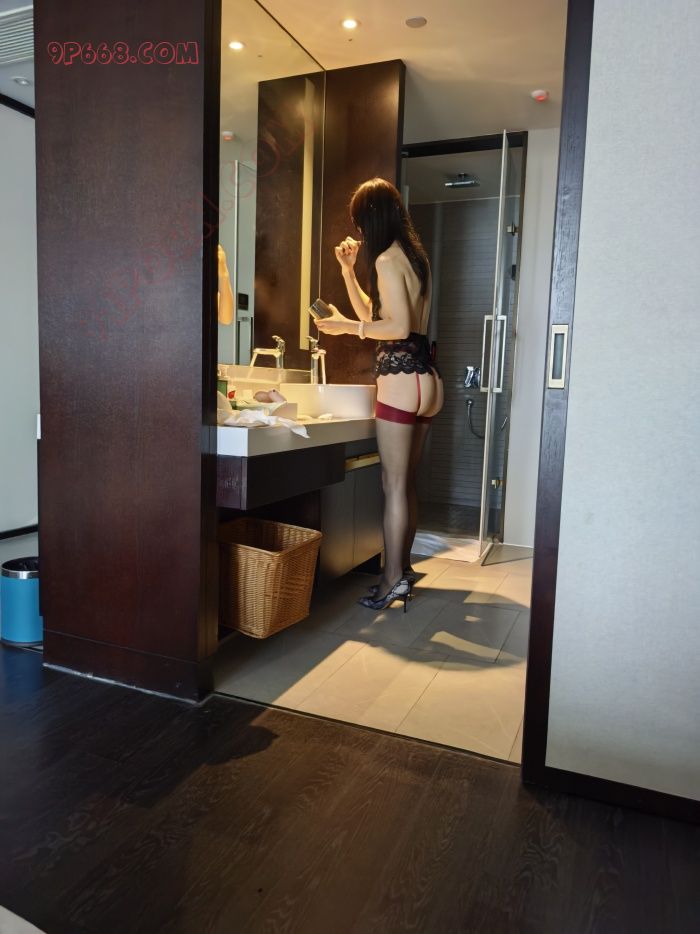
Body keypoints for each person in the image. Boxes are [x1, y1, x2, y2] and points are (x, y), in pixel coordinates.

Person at [316, 177, 444, 611]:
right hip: (426, 378)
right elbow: (379, 314)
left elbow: (395, 327)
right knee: (406, 484)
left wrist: (345, 327)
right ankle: (402, 570)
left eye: (359, 223)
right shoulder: (414, 259)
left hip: (399, 378)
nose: (359, 232)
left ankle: (390, 581)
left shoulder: (387, 259)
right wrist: (348, 273)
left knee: (392, 484)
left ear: (371, 218)